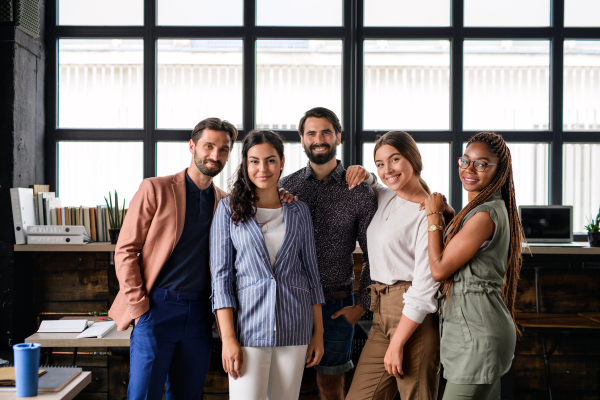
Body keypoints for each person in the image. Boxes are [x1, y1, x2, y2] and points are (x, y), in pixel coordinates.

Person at [109, 118, 237, 400]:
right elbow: (126, 250)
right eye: (208, 146)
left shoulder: (226, 202)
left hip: (201, 314)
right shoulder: (155, 189)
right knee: (143, 395)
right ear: (192, 146)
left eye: (224, 149)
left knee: (187, 395)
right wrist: (140, 306)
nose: (215, 155)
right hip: (156, 308)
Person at [211, 130, 325, 400]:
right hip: (249, 329)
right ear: (245, 164)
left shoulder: (299, 211)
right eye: (254, 161)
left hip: (295, 327)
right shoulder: (227, 210)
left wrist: (317, 333)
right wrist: (228, 339)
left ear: (283, 162)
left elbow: (311, 274)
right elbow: (221, 279)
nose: (263, 168)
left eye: (271, 160)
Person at [278, 107, 377, 400]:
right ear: (302, 138)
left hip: (336, 304)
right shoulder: (285, 186)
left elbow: (375, 253)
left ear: (338, 137)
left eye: (325, 132)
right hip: (290, 302)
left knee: (331, 386)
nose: (318, 139)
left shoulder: (359, 189)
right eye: (312, 133)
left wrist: (361, 307)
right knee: (284, 381)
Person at [343, 131, 450, 400]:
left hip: (412, 317)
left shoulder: (427, 213)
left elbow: (426, 286)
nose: (387, 170)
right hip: (381, 315)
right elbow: (374, 182)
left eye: (394, 159)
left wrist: (399, 342)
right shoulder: (387, 197)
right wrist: (364, 173)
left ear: (412, 159)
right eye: (380, 163)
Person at [422, 132, 523, 400]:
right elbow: (467, 248)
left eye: (481, 163)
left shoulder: (484, 214)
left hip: (478, 339)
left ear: (499, 170)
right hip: (481, 333)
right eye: (465, 161)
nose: (469, 169)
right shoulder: (487, 209)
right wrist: (451, 217)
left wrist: (433, 215)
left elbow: (440, 269)